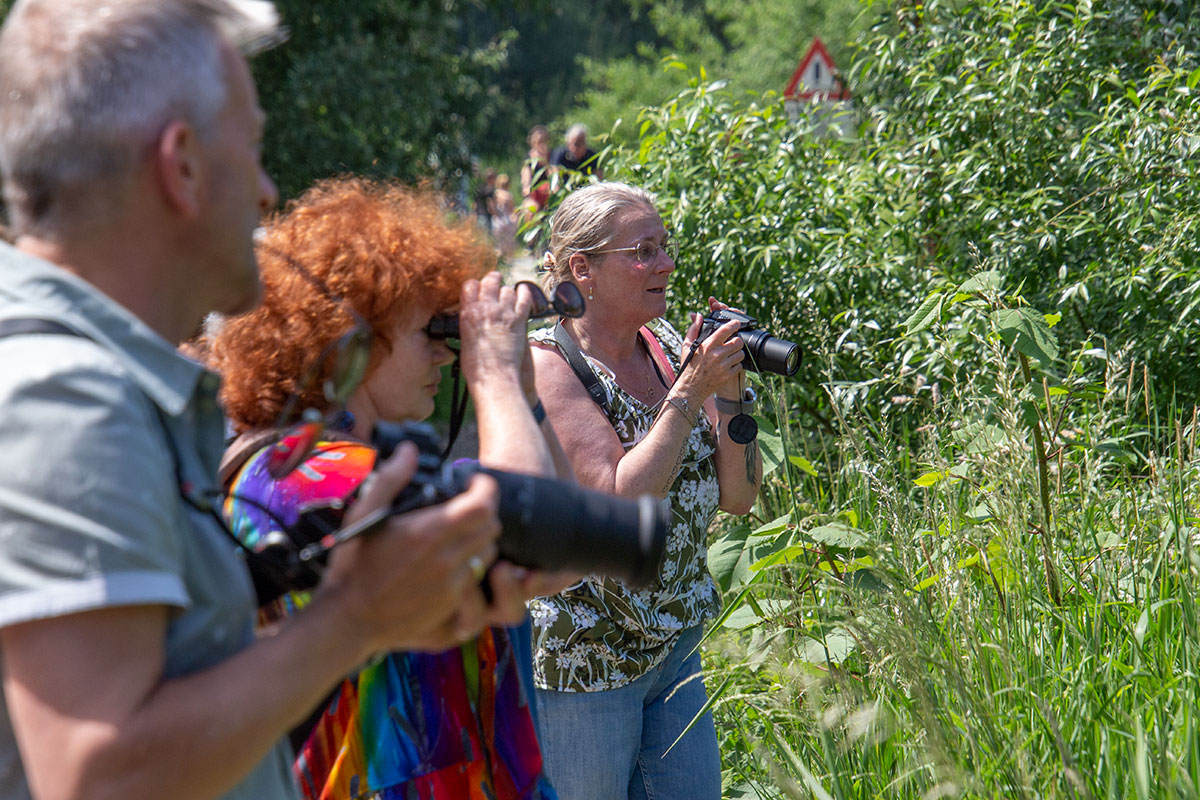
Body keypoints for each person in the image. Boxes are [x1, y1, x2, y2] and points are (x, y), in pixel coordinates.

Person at [0, 2, 523, 798]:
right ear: (182, 166)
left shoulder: (102, 381)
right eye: (250, 148)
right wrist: (357, 618)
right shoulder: (66, 396)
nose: (268, 190)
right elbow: (96, 775)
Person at [206, 176, 573, 799]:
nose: (446, 356)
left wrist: (524, 393)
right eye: (431, 331)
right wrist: (493, 379)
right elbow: (527, 540)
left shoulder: (370, 466)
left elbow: (563, 553)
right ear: (349, 339)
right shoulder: (294, 475)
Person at [528, 182, 762, 799]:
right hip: (587, 657)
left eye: (664, 246)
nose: (666, 264)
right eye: (643, 252)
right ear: (583, 269)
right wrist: (690, 392)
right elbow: (618, 500)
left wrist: (729, 387)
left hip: (673, 642)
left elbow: (739, 497)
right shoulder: (550, 365)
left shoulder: (663, 349)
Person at [520, 124, 552, 216]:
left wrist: (545, 161)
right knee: (530, 210)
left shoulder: (552, 156)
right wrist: (527, 189)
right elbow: (526, 181)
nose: (540, 145)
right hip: (534, 195)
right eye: (538, 142)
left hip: (550, 193)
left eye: (543, 141)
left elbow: (553, 177)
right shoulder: (528, 160)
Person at [492, 173, 519, 255]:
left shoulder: (495, 194)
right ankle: (507, 256)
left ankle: (500, 256)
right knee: (508, 240)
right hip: (507, 219)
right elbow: (512, 209)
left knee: (499, 241)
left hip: (498, 219)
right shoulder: (508, 195)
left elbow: (493, 207)